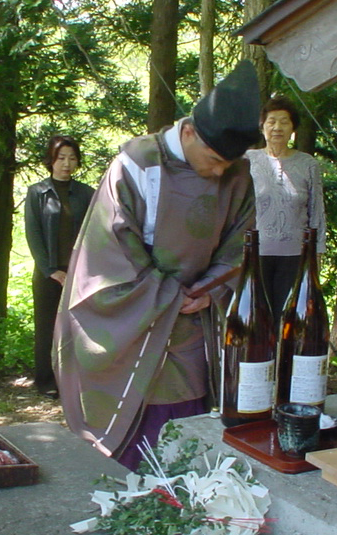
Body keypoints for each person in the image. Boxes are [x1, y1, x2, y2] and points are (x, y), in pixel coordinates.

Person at [53, 61, 261, 470]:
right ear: (188, 132)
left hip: (197, 312)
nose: (220, 172)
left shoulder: (237, 172)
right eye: (214, 159)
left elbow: (241, 241)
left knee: (189, 404)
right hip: (137, 311)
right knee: (137, 410)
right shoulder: (137, 163)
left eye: (227, 164)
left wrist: (213, 290)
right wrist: (165, 294)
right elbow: (113, 242)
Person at [24, 135, 94, 399]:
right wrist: (51, 270)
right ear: (51, 160)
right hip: (47, 273)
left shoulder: (86, 193)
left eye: (72, 158)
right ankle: (45, 380)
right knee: (46, 327)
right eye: (61, 158)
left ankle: (75, 379)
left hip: (78, 272)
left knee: (77, 327)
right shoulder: (37, 192)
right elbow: (33, 234)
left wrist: (78, 270)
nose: (66, 164)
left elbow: (93, 233)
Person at [245, 96, 327, 318]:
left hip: (296, 255)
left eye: (284, 121)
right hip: (255, 254)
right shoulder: (247, 161)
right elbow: (235, 209)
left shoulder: (308, 164)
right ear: (262, 126)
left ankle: (285, 355)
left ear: (293, 128)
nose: (277, 128)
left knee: (289, 318)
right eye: (271, 122)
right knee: (256, 318)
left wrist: (317, 253)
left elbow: (316, 210)